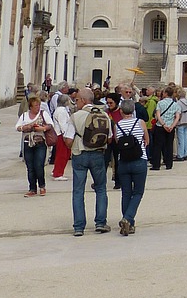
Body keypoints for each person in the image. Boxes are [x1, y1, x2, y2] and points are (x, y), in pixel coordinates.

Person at [68, 87, 109, 235]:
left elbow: (67, 139)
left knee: (78, 190)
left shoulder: (75, 116)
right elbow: (109, 137)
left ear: (84, 100)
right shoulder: (104, 114)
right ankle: (100, 222)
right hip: (98, 154)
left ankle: (79, 226)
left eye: (77, 100)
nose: (75, 102)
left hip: (80, 153)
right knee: (101, 188)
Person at [114, 100, 149, 235]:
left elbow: (118, 142)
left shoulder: (117, 125)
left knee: (126, 193)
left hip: (123, 161)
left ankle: (128, 224)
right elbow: (146, 140)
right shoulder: (140, 122)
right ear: (133, 110)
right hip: (139, 160)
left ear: (121, 111)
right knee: (138, 192)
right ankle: (127, 218)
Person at [16, 95, 54, 197]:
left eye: (38, 105)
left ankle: (42, 186)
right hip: (27, 143)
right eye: (36, 105)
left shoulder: (43, 114)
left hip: (40, 143)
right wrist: (25, 127)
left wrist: (43, 128)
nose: (38, 107)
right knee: (30, 167)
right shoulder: (24, 115)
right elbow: (18, 127)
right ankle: (32, 188)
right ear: (31, 107)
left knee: (39, 165)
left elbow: (50, 125)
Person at [150, 85, 181, 170]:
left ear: (166, 93)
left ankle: (156, 165)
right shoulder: (176, 104)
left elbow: (158, 115)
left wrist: (163, 124)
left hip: (160, 126)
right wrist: (172, 126)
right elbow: (177, 117)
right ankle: (169, 164)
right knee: (169, 145)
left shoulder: (160, 103)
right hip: (171, 127)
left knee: (158, 146)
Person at [50, 93, 74, 181]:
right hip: (62, 135)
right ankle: (58, 173)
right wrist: (66, 136)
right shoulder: (62, 111)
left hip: (60, 134)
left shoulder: (59, 110)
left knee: (60, 154)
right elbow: (63, 124)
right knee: (62, 154)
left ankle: (56, 170)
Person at [175, 88, 187, 161]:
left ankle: (180, 155)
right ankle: (185, 154)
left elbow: (178, 112)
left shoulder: (178, 103)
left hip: (180, 122)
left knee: (180, 140)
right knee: (186, 139)